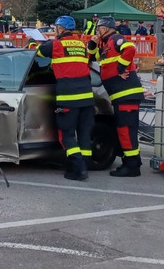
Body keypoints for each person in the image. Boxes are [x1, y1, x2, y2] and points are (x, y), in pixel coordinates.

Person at [36, 15, 94, 181]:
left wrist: (36, 43)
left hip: (69, 97)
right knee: (84, 134)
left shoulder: (56, 45)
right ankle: (85, 165)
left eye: (55, 28)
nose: (55, 31)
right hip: (87, 97)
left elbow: (39, 51)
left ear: (60, 29)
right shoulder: (81, 45)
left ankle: (79, 169)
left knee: (67, 134)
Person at [87, 17, 146, 177]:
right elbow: (91, 57)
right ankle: (133, 161)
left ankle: (132, 166)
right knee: (125, 130)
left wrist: (121, 67)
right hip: (121, 96)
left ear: (105, 29)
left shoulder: (115, 39)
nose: (96, 32)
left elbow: (130, 48)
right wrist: (92, 44)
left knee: (125, 130)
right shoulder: (105, 45)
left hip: (126, 94)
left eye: (98, 29)